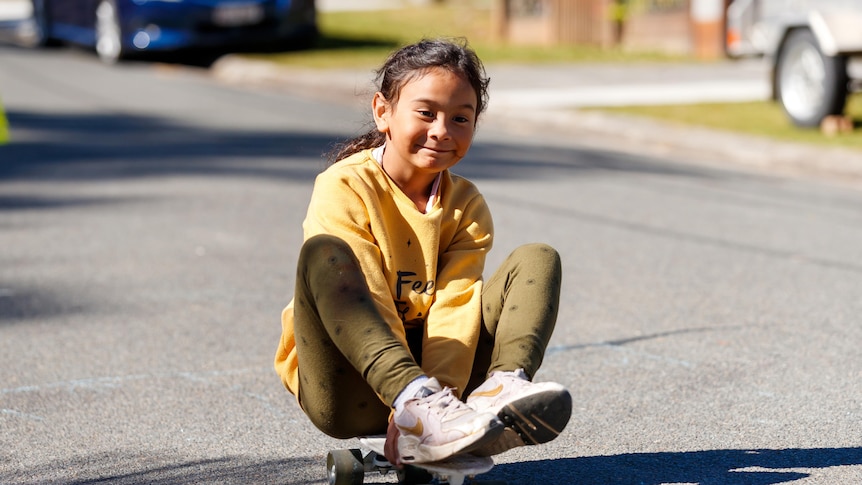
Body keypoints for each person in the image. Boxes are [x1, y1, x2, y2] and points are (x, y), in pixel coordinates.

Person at [274, 38, 571, 465]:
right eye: (426, 113)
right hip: (347, 384)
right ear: (383, 111)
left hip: (436, 389)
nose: (441, 131)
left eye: (460, 118)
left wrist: (443, 397)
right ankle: (420, 407)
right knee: (325, 255)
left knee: (537, 258)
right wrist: (409, 399)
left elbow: (457, 304)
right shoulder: (345, 186)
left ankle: (500, 392)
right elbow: (371, 296)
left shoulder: (466, 203)